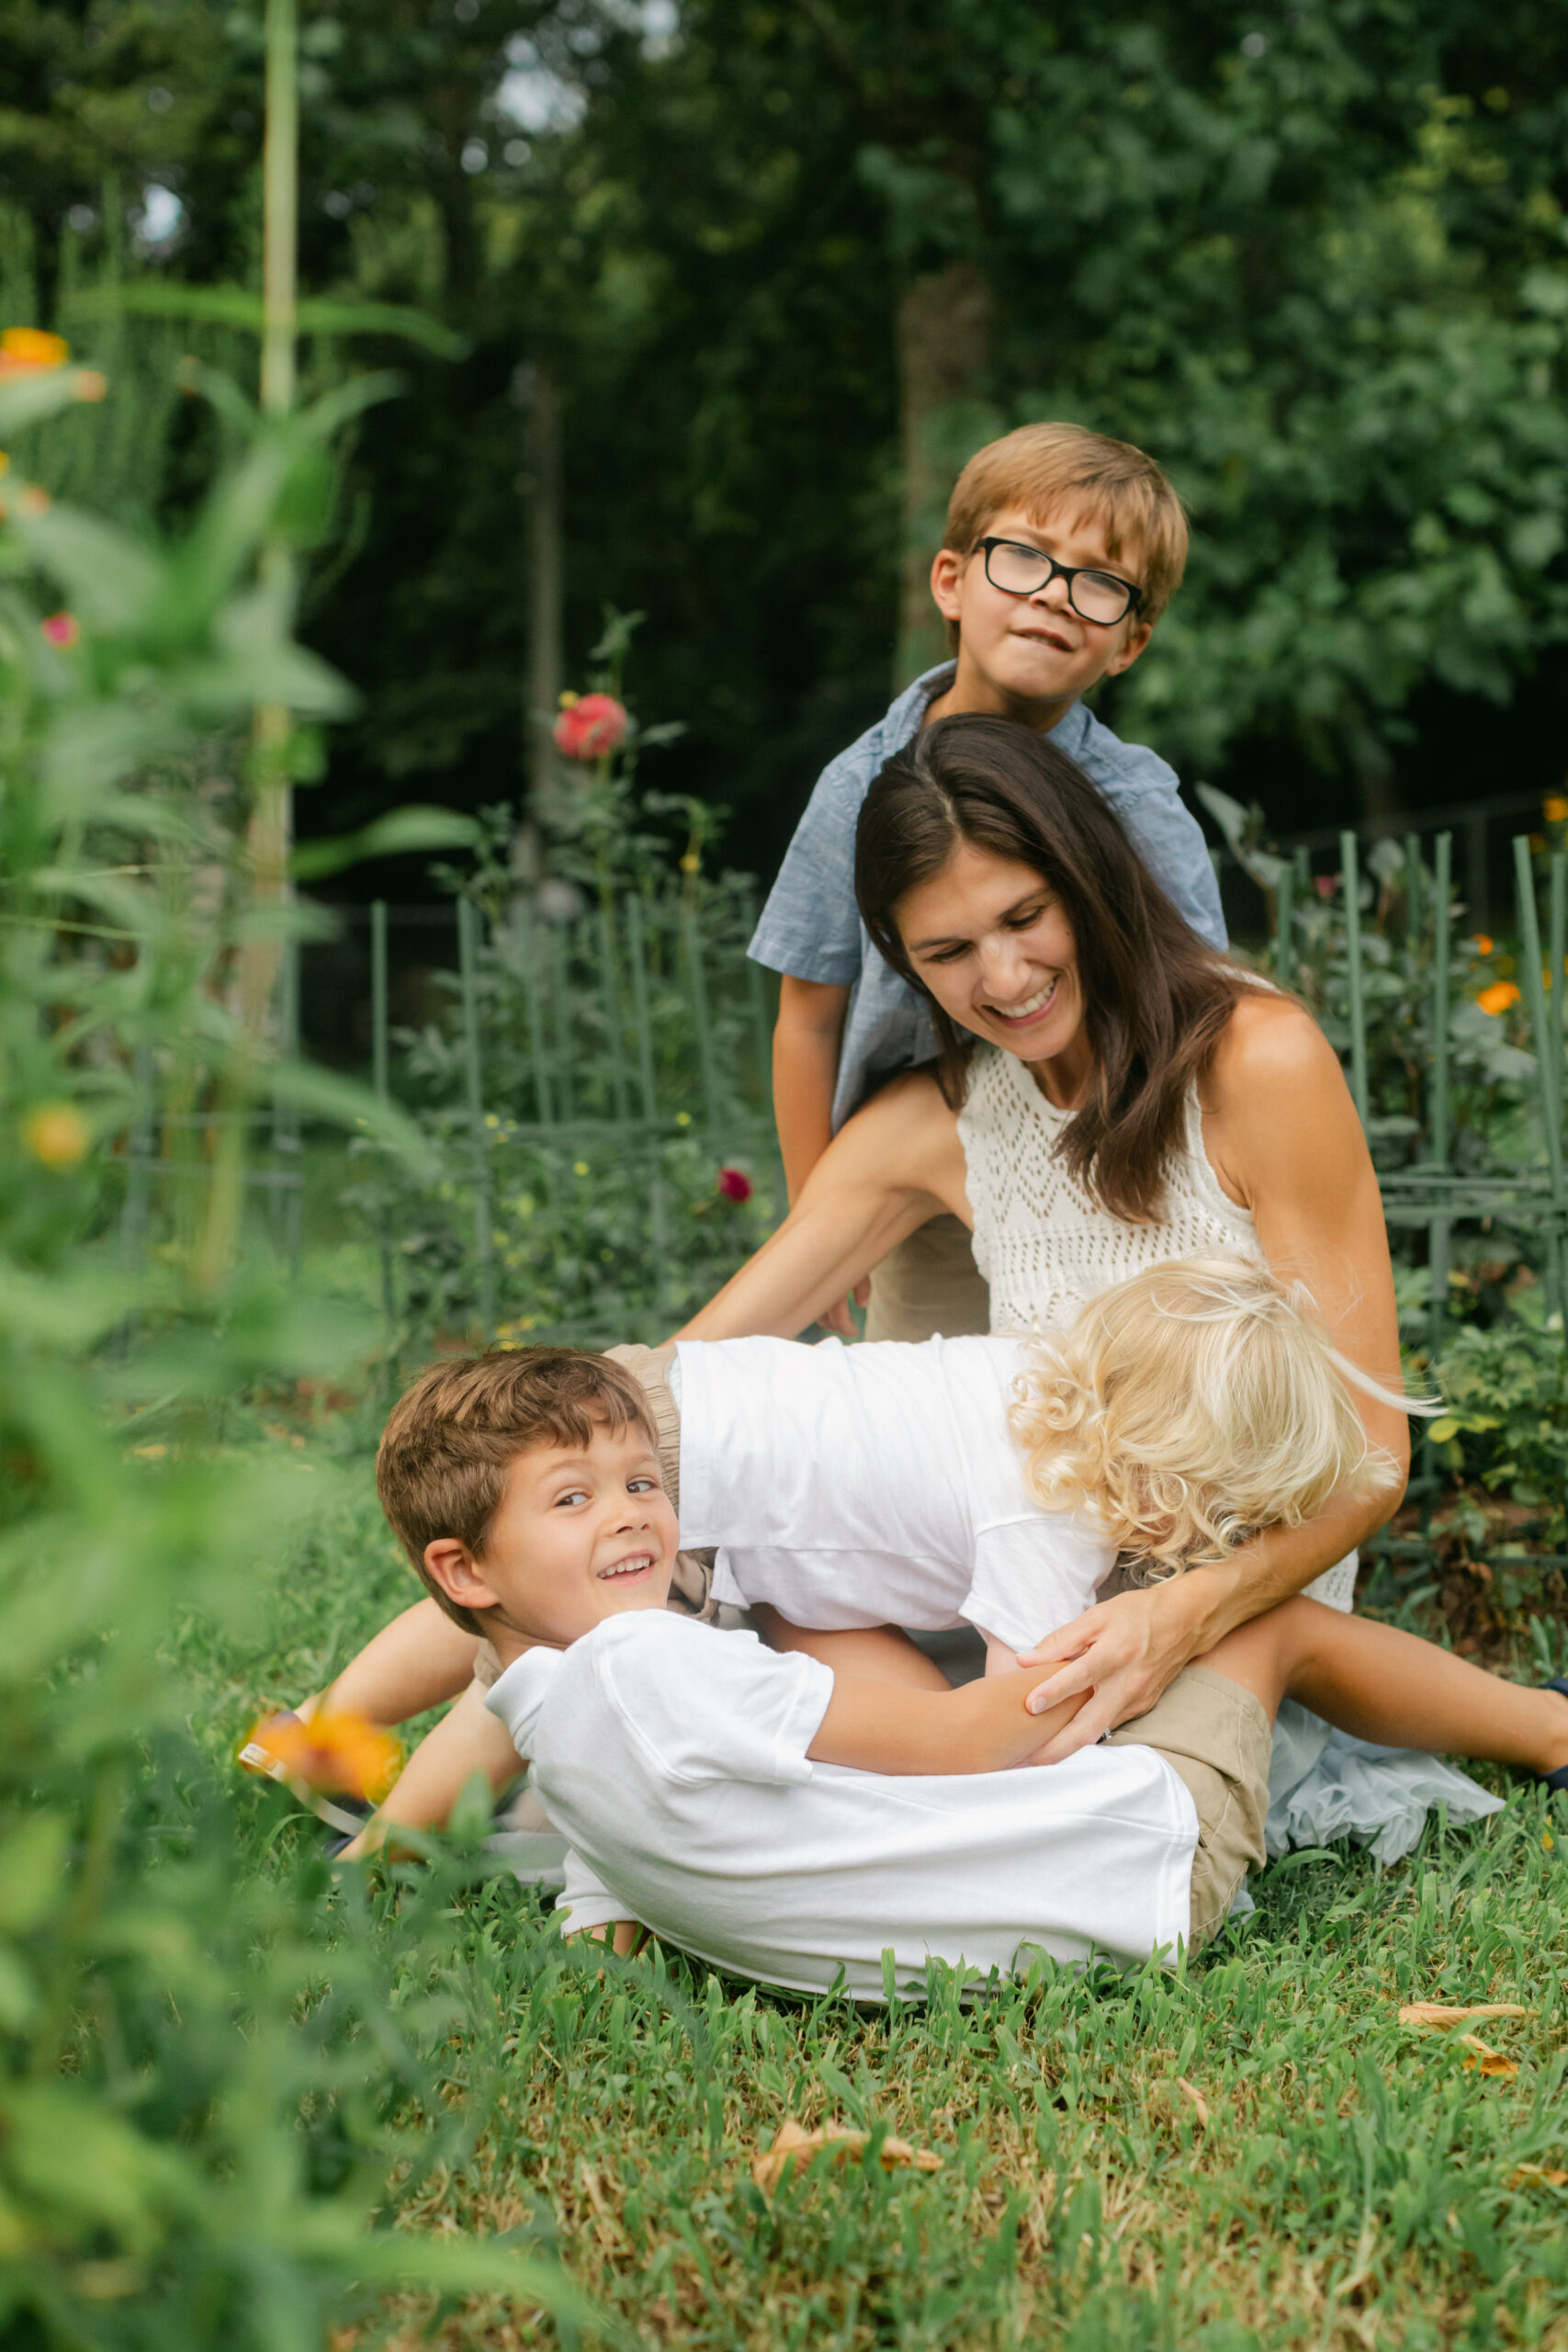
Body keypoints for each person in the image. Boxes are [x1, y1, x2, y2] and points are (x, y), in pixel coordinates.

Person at [375, 1339, 1568, 1991]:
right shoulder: (651, 1658)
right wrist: (1127, 1654)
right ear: (465, 1572)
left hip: (995, 1927)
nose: (635, 1514)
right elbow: (973, 1741)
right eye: (576, 1499)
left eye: (642, 1484)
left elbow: (611, 1905)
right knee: (1267, 1627)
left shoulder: (560, 1741)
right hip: (1141, 1873)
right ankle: (1548, 1731)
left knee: (804, 1620)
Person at [679, 713, 1405, 1778]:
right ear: (902, 959)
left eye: (1026, 916)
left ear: (1088, 878)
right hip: (1030, 1591)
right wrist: (495, 1517)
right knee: (758, 1596)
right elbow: (661, 1397)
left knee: (1103, 1796)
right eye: (950, 951)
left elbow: (1372, 1453)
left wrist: (1187, 1612)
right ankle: (354, 1766)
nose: (1006, 976)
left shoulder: (1261, 1062)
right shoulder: (937, 1122)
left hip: (1238, 1597)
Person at [271, 1261, 1545, 1860]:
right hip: (675, 1471)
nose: (1200, 1549)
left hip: (693, 1424)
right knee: (520, 1657)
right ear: (1151, 1484)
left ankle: (320, 1733)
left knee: (478, 1613)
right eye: (1208, 1514)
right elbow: (1025, 1717)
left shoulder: (1021, 1386)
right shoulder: (1034, 1517)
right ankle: (381, 1860)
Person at [751, 420, 1224, 1344]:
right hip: (925, 1171)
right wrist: (821, 1227)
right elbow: (807, 1016)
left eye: (1100, 581)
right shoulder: (859, 789)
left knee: (1115, 1409)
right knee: (919, 1420)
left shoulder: (1137, 803)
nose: (1055, 597)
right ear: (952, 581)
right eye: (1026, 557)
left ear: (1129, 641)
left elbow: (1201, 1008)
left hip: (1105, 1164)